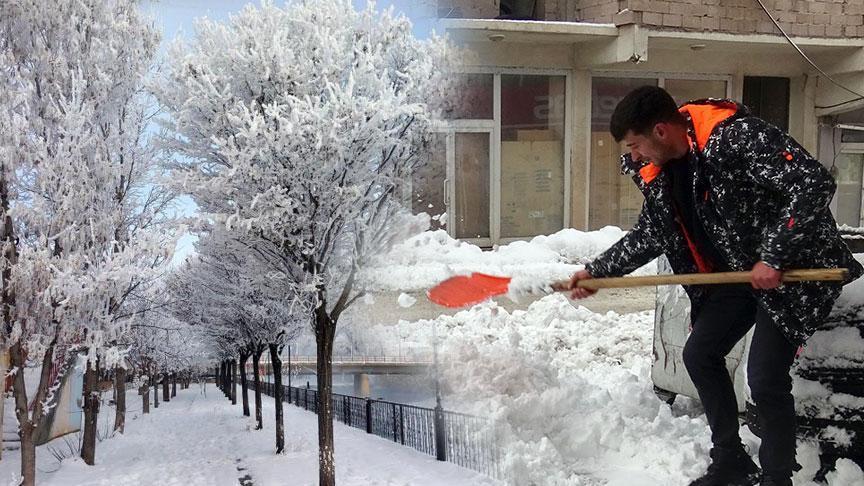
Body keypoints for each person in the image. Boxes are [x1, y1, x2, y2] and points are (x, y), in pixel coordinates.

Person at [568, 86, 863, 486]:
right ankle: (731, 460)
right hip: (739, 273)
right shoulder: (662, 175)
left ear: (659, 131)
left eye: (635, 145)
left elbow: (813, 184)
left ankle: (778, 478)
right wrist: (597, 271)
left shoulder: (736, 138)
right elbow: (651, 234)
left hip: (795, 269)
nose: (633, 156)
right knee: (700, 354)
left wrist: (774, 253)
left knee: (764, 377)